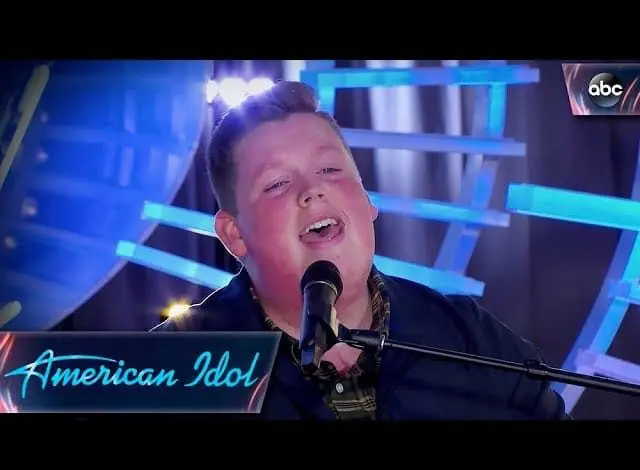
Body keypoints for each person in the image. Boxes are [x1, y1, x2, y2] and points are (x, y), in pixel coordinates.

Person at [153, 80, 569, 420]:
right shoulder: (169, 368)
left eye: (330, 169)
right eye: (277, 183)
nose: (313, 190)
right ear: (234, 234)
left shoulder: (468, 337)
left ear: (367, 201)